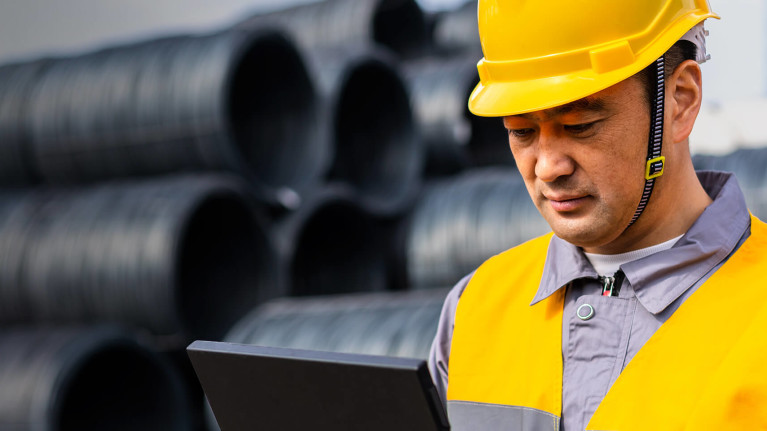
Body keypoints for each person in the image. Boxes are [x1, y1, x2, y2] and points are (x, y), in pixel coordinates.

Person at [428, 1, 767, 430]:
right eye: (522, 131)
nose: (548, 167)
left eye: (580, 125)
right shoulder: (475, 309)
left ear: (680, 101)